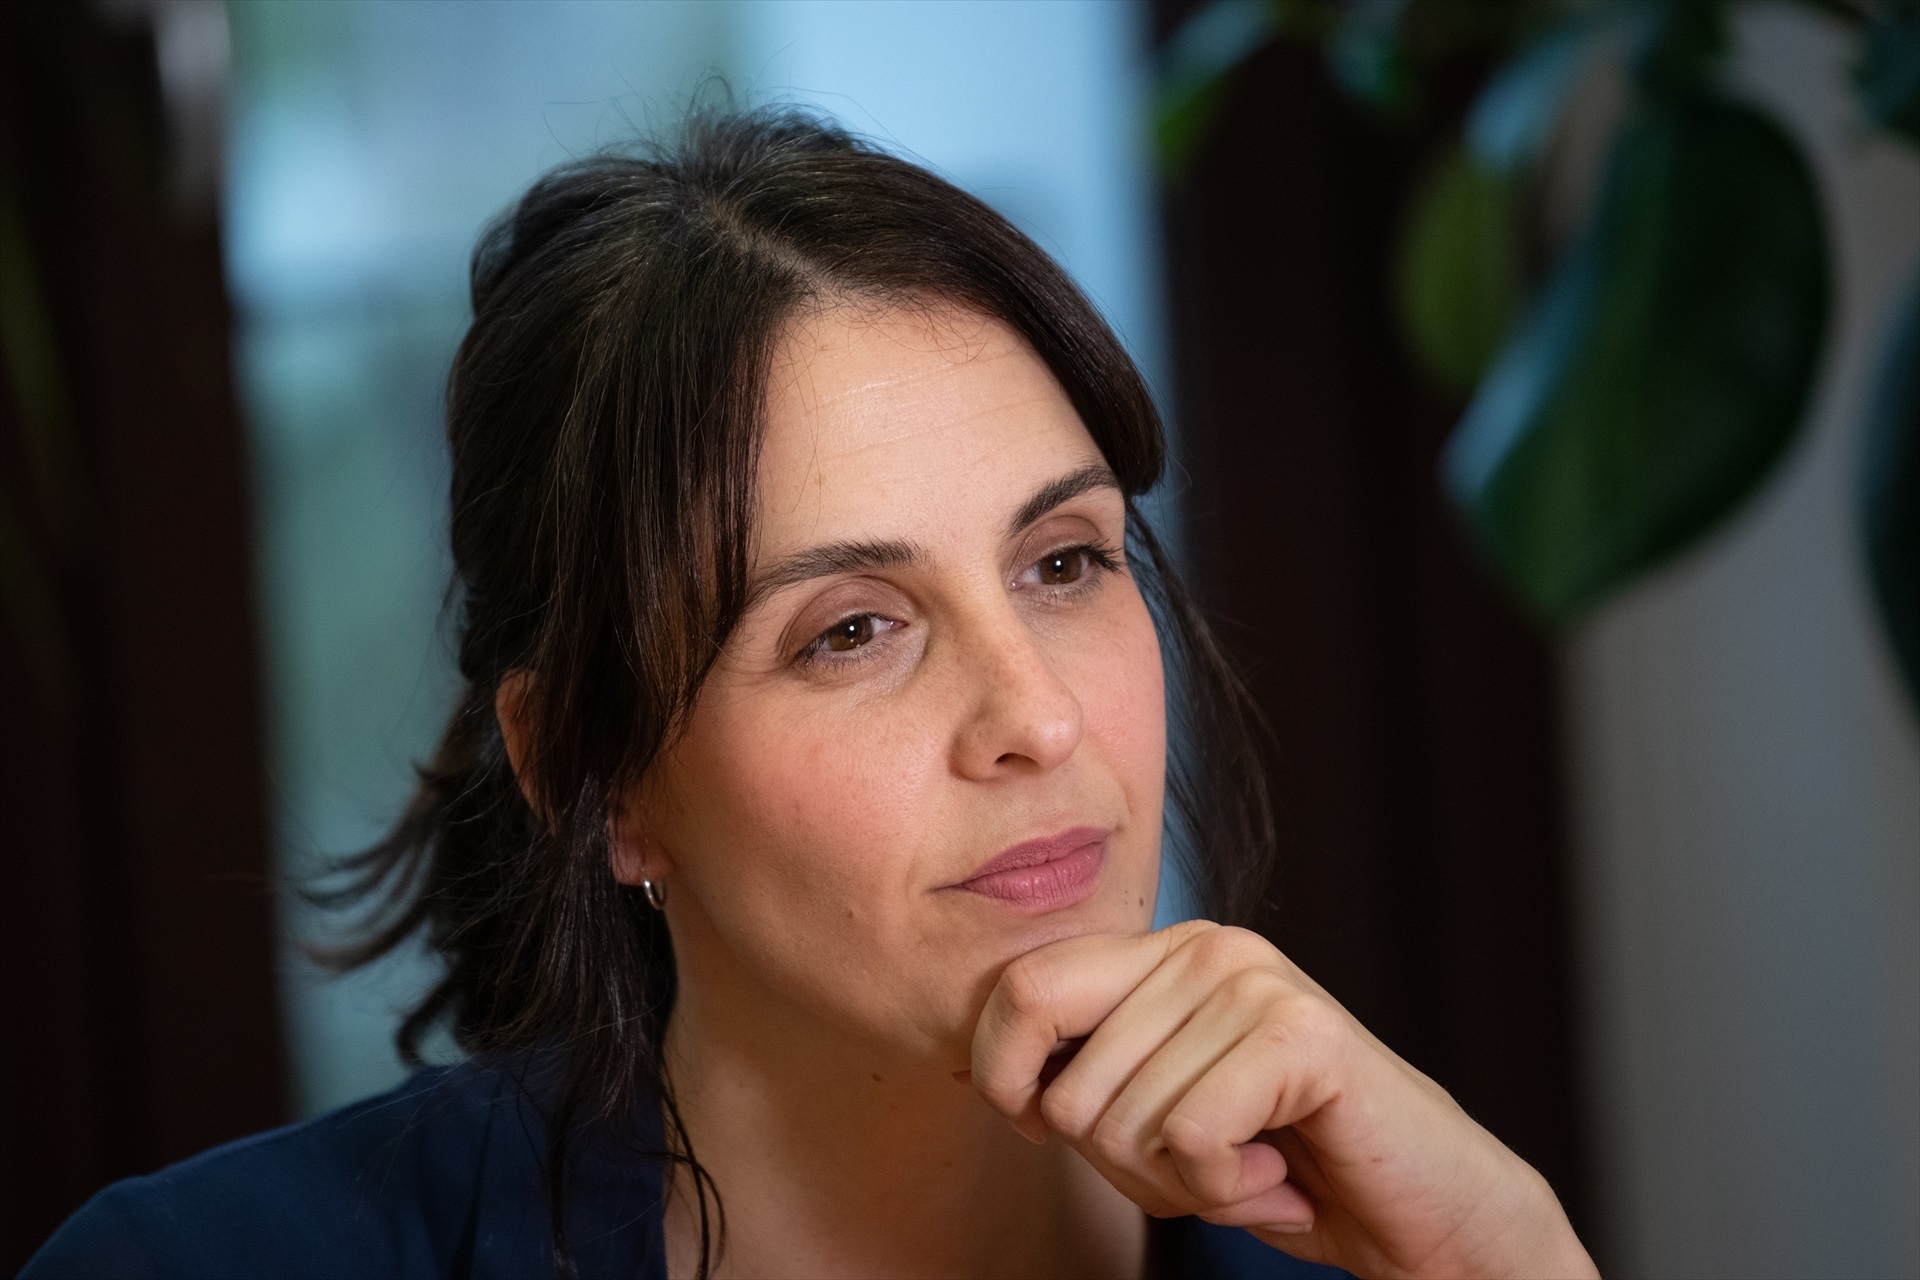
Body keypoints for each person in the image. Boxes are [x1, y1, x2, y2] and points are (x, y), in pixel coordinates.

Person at [22, 108, 1596, 1280]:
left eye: (1064, 562)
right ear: (595, 776)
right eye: (853, 631)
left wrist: (1514, 1260)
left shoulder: (1404, 1259)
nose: (1038, 721)